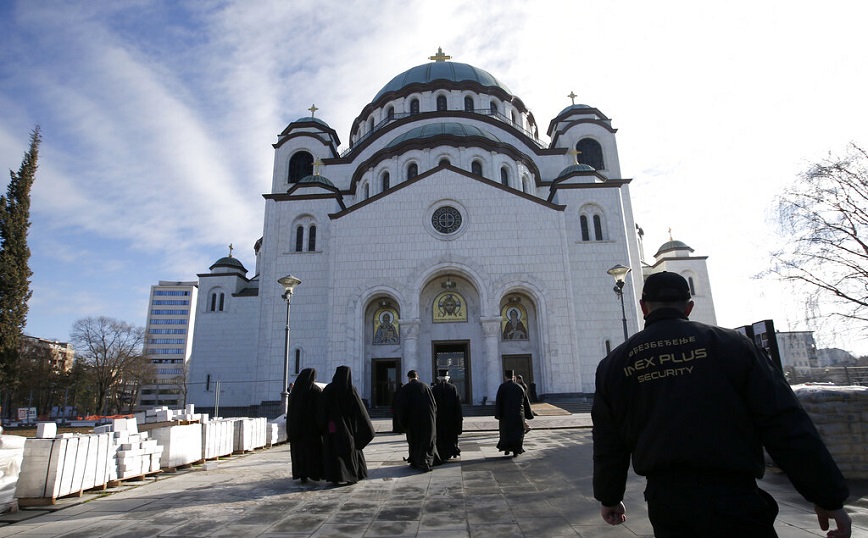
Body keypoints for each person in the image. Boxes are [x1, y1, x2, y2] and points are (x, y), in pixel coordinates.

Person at [592, 271, 851, 537]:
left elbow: (608, 441)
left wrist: (609, 496)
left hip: (669, 503)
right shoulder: (733, 346)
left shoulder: (615, 364)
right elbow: (785, 423)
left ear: (643, 307)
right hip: (736, 498)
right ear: (689, 307)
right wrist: (827, 495)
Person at [317, 365, 375, 486]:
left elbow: (321, 409)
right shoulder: (350, 389)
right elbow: (360, 411)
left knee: (333, 451)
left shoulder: (329, 389)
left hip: (332, 427)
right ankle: (351, 476)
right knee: (349, 450)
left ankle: (335, 477)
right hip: (349, 428)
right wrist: (364, 427)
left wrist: (322, 424)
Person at [394, 369, 440, 472]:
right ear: (417, 376)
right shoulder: (425, 387)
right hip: (427, 419)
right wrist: (433, 418)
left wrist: (403, 423)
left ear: (409, 378)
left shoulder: (405, 389)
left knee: (414, 441)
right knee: (426, 440)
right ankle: (427, 460)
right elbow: (433, 405)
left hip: (412, 421)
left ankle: (416, 460)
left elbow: (401, 408)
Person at [286, 368, 323, 484]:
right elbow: (320, 409)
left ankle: (301, 474)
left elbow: (291, 412)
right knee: (312, 452)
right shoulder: (315, 390)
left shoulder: (295, 392)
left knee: (299, 453)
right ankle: (314, 473)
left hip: (297, 429)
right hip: (311, 430)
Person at [494, 369, 533, 457]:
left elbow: (498, 402)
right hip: (518, 414)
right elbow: (525, 401)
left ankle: (506, 449)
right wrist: (528, 414)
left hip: (506, 416)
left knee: (506, 433)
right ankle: (516, 450)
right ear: (513, 377)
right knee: (517, 433)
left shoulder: (502, 387)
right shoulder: (519, 387)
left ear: (505, 377)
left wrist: (498, 414)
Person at [432, 369, 463, 461]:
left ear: (439, 378)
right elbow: (457, 404)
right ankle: (451, 451)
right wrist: (458, 417)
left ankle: (442, 453)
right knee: (451, 436)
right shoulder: (453, 388)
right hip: (451, 418)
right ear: (447, 378)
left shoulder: (435, 389)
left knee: (440, 436)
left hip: (439, 418)